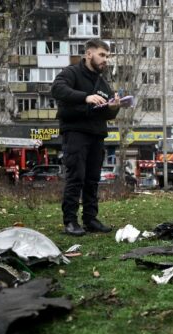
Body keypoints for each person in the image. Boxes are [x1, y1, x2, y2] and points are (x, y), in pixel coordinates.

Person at [51, 39, 121, 236]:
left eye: (107, 56)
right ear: (89, 54)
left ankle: (90, 219)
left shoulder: (103, 83)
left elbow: (107, 114)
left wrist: (113, 108)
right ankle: (70, 221)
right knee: (76, 177)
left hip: (97, 134)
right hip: (75, 133)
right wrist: (85, 97)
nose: (105, 60)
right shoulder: (71, 73)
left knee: (92, 179)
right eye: (102, 55)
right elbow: (57, 90)